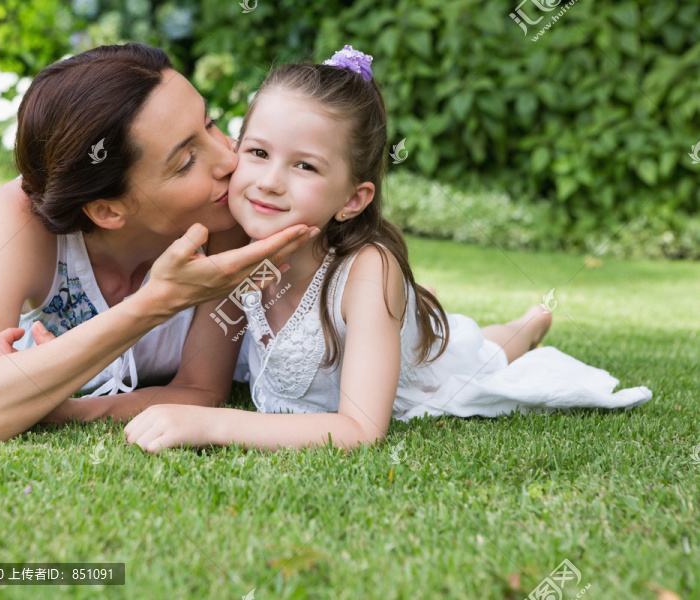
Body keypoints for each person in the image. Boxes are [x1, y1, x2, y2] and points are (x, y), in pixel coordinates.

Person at [123, 46, 652, 453]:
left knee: (473, 356)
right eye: (258, 152)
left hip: (421, 375)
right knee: (446, 332)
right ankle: (428, 313)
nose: (269, 181)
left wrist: (210, 426)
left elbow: (359, 429)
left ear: (354, 199)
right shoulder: (232, 248)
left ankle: (523, 328)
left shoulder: (368, 271)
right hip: (382, 321)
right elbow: (200, 382)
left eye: (304, 165)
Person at [0, 43, 318, 448]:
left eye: (209, 124)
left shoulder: (225, 214)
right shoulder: (22, 220)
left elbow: (202, 389)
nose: (231, 160)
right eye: (186, 161)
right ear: (106, 210)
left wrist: (70, 410)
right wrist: (157, 302)